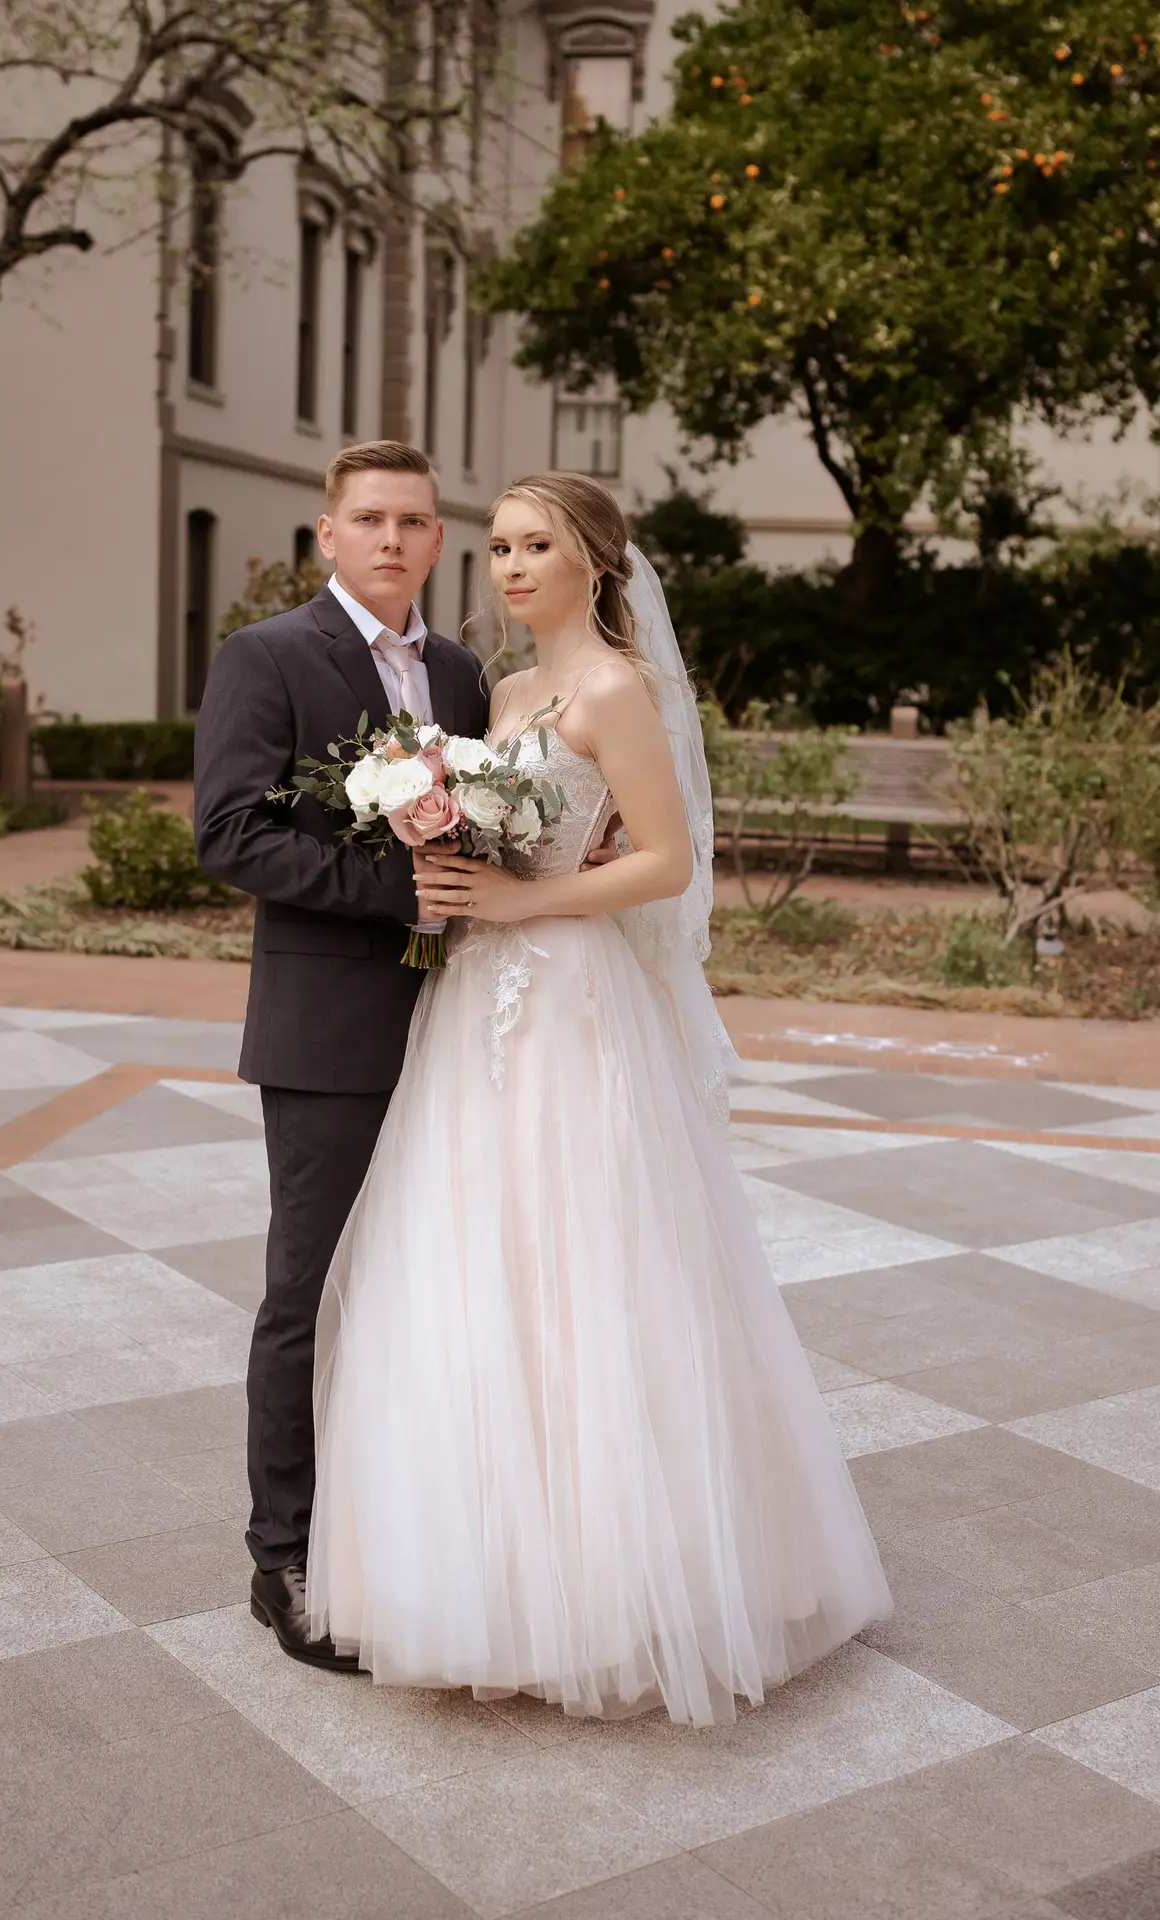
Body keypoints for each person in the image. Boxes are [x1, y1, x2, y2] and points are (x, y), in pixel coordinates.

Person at [306, 472, 892, 1723]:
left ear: (595, 561)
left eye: (539, 546)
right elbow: (523, 834)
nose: (512, 567)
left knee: (590, 1262)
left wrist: (522, 900)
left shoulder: (619, 689)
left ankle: (627, 1590)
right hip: (475, 998)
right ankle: (481, 1580)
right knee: (475, 1259)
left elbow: (668, 863)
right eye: (503, 547)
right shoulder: (508, 692)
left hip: (571, 997)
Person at [194, 440, 491, 1669]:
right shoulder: (267, 657)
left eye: (412, 522)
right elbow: (228, 833)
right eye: (368, 519)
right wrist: (395, 891)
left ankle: (397, 1531)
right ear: (328, 534)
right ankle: (284, 1556)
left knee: (422, 1287)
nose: (390, 540)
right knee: (308, 1294)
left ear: (436, 539)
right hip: (327, 1029)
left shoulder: (462, 673)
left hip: (460, 1026)